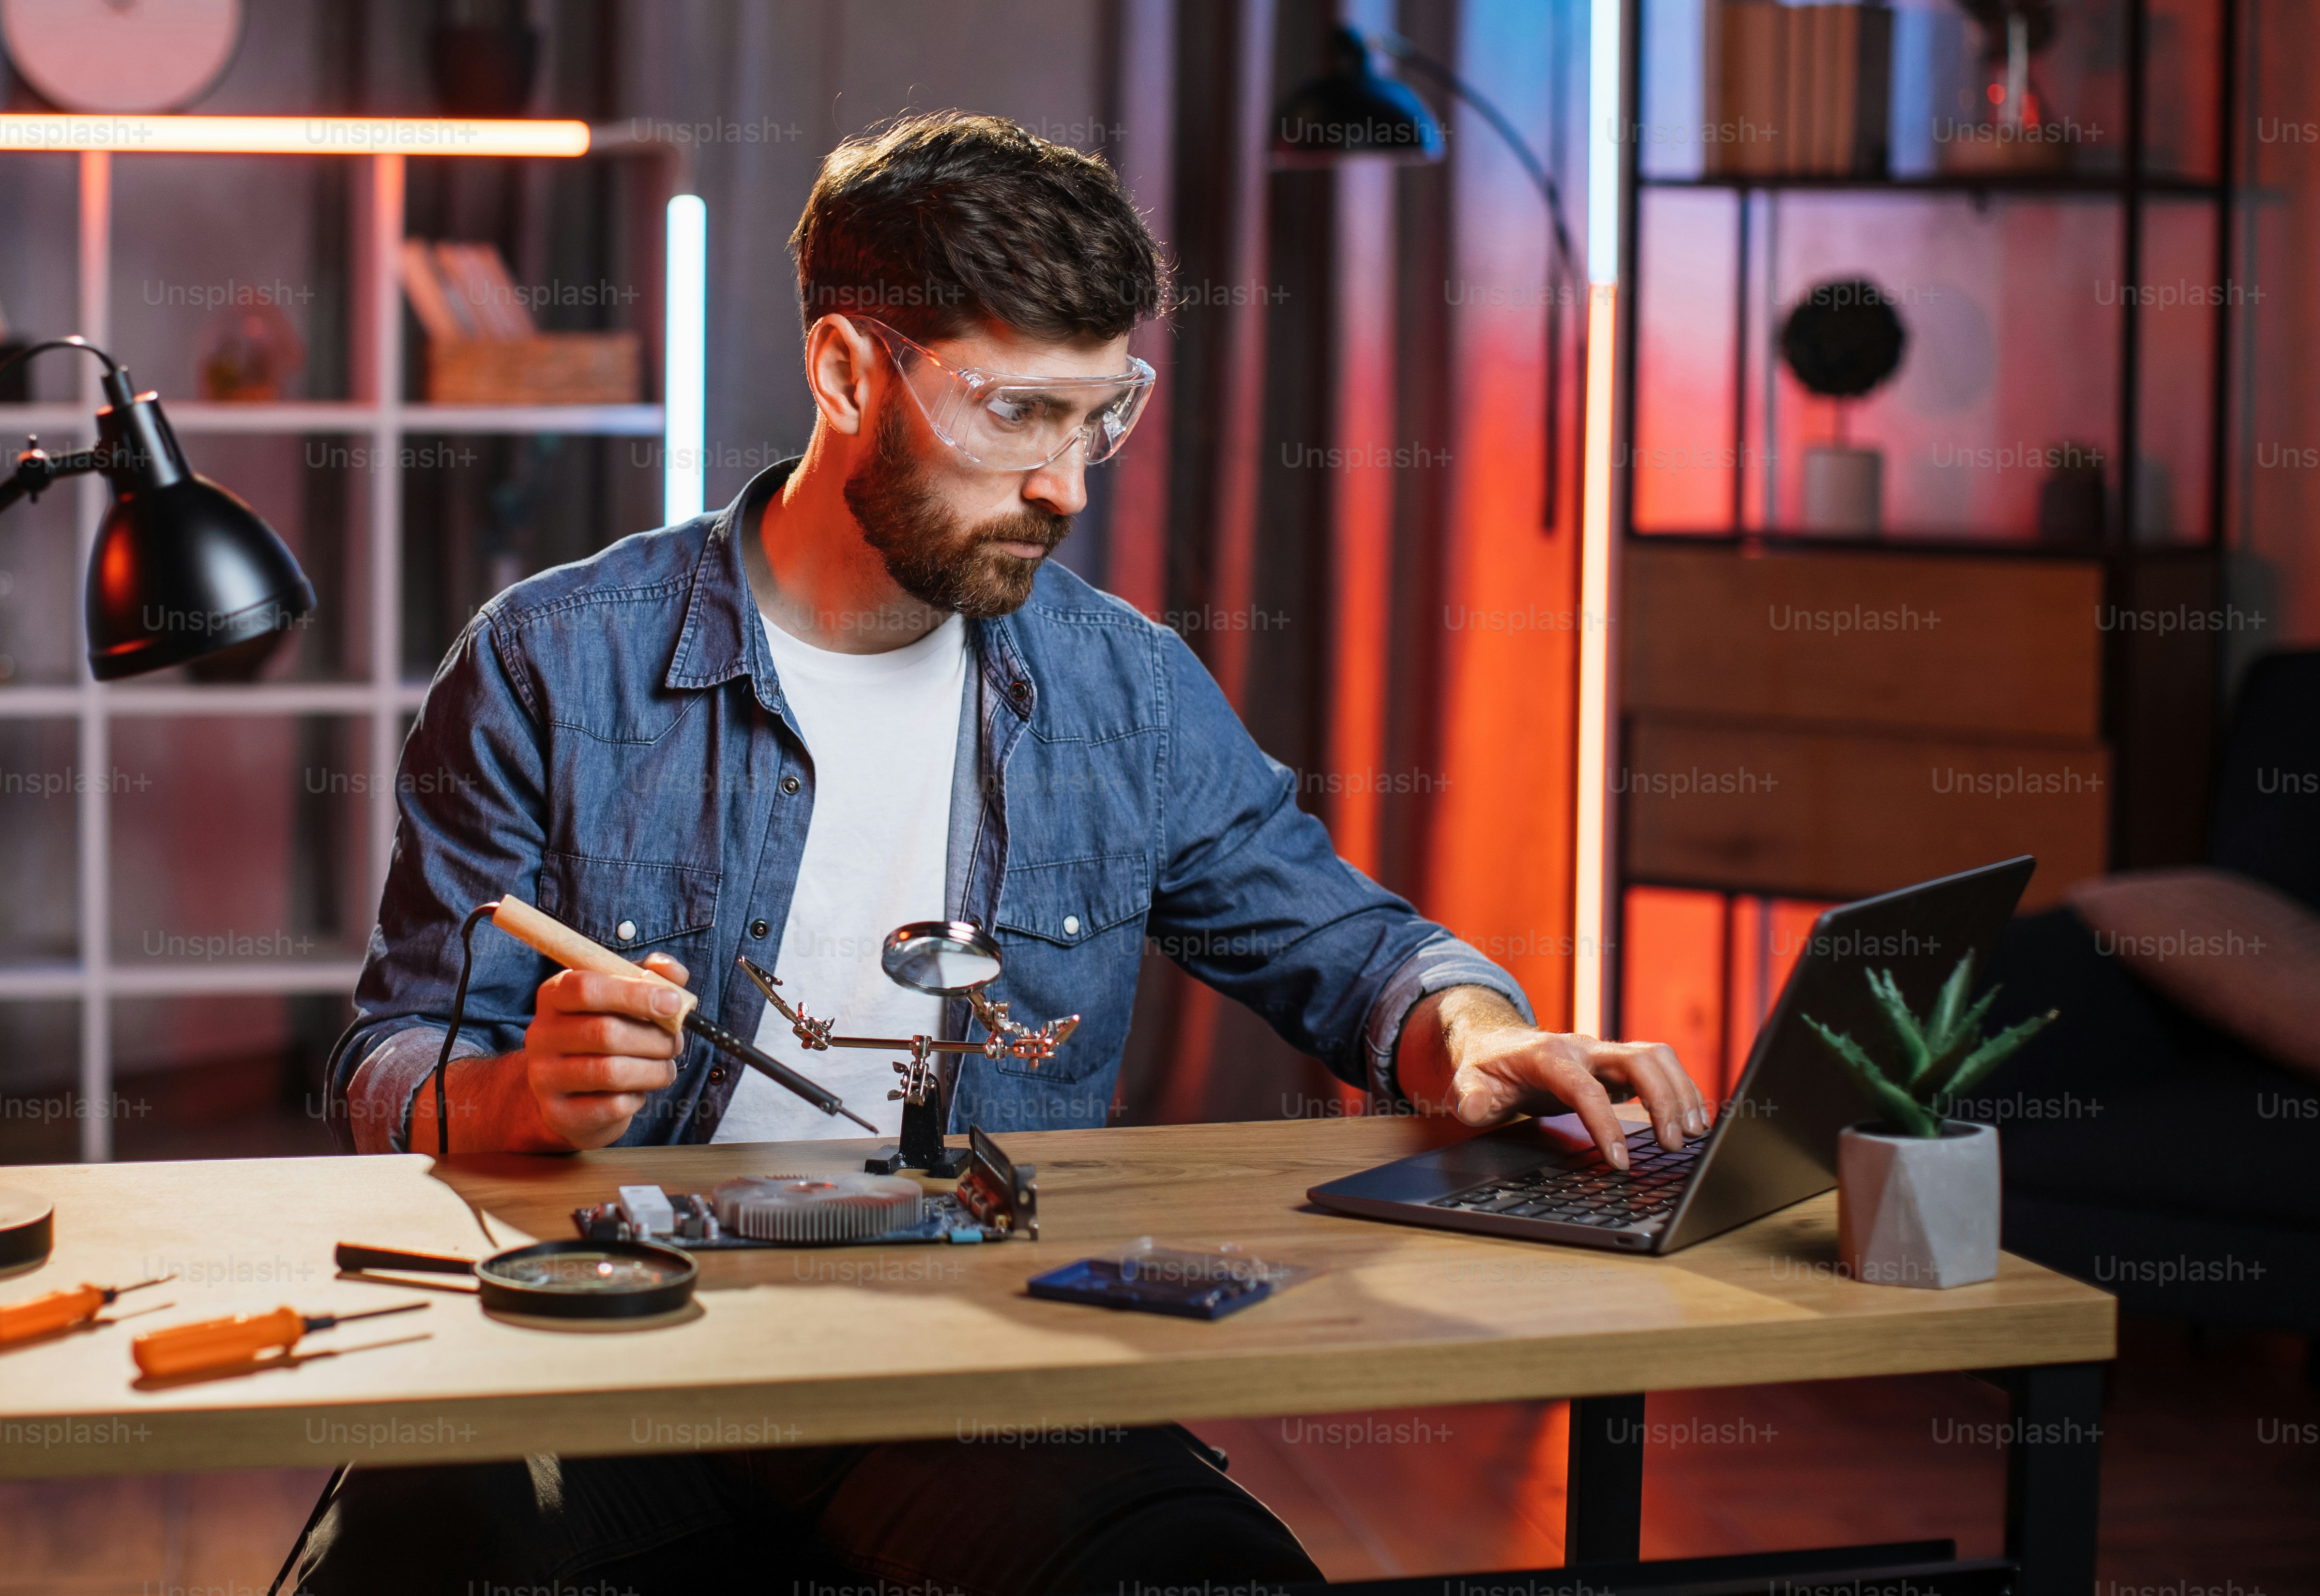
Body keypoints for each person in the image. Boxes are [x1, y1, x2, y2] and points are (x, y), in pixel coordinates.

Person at [311, 112, 1710, 1595]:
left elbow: (1356, 953)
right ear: (849, 372)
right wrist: (518, 1095)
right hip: (615, 1335)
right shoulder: (551, 663)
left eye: (1099, 418)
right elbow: (383, 1066)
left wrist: (1474, 1038)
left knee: (1197, 1564)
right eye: (1020, 416)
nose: (1070, 487)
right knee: (428, 1553)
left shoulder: (1130, 691)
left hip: (972, 1351)